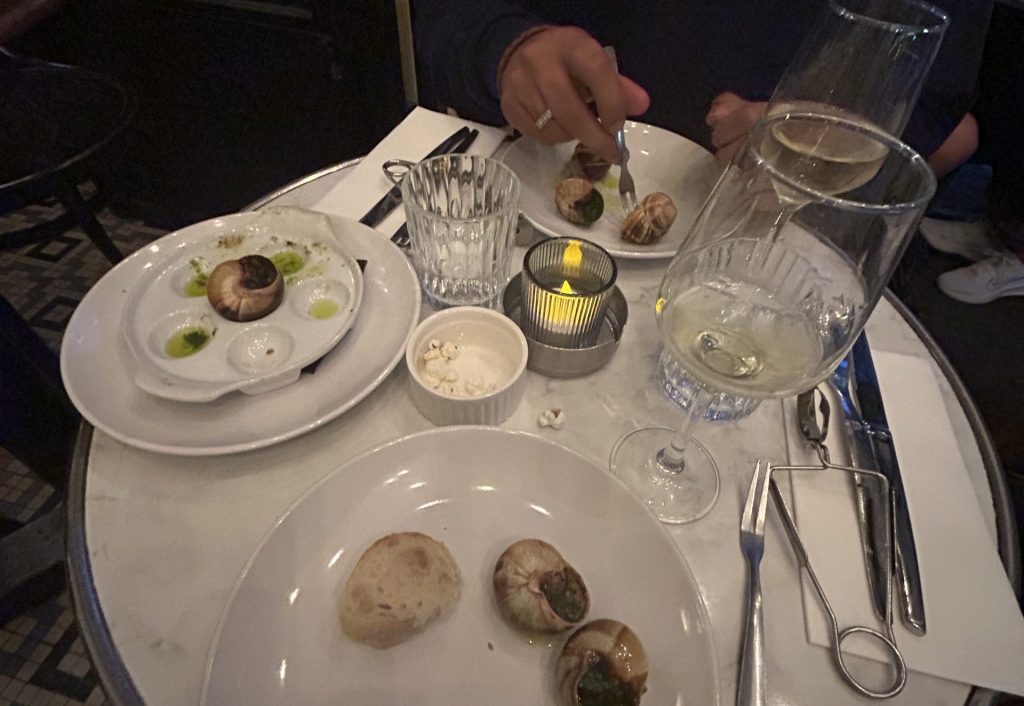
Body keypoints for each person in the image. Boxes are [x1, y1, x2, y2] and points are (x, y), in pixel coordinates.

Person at [414, 0, 992, 172]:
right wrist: (502, 47)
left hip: (777, 231)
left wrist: (839, 137)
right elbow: (440, 19)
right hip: (531, 175)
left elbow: (935, 93)